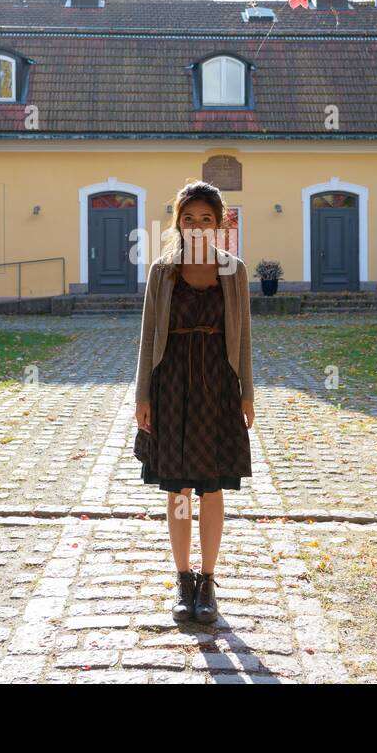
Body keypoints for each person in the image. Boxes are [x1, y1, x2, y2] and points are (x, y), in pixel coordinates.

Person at [133, 180, 255, 624]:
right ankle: (183, 580)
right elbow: (148, 338)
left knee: (213, 487)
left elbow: (243, 338)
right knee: (180, 487)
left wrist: (247, 393)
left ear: (219, 222)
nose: (198, 225)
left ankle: (208, 582)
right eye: (189, 218)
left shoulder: (234, 271)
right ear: (179, 223)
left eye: (206, 218)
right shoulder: (163, 273)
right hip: (171, 388)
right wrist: (142, 395)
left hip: (219, 388)